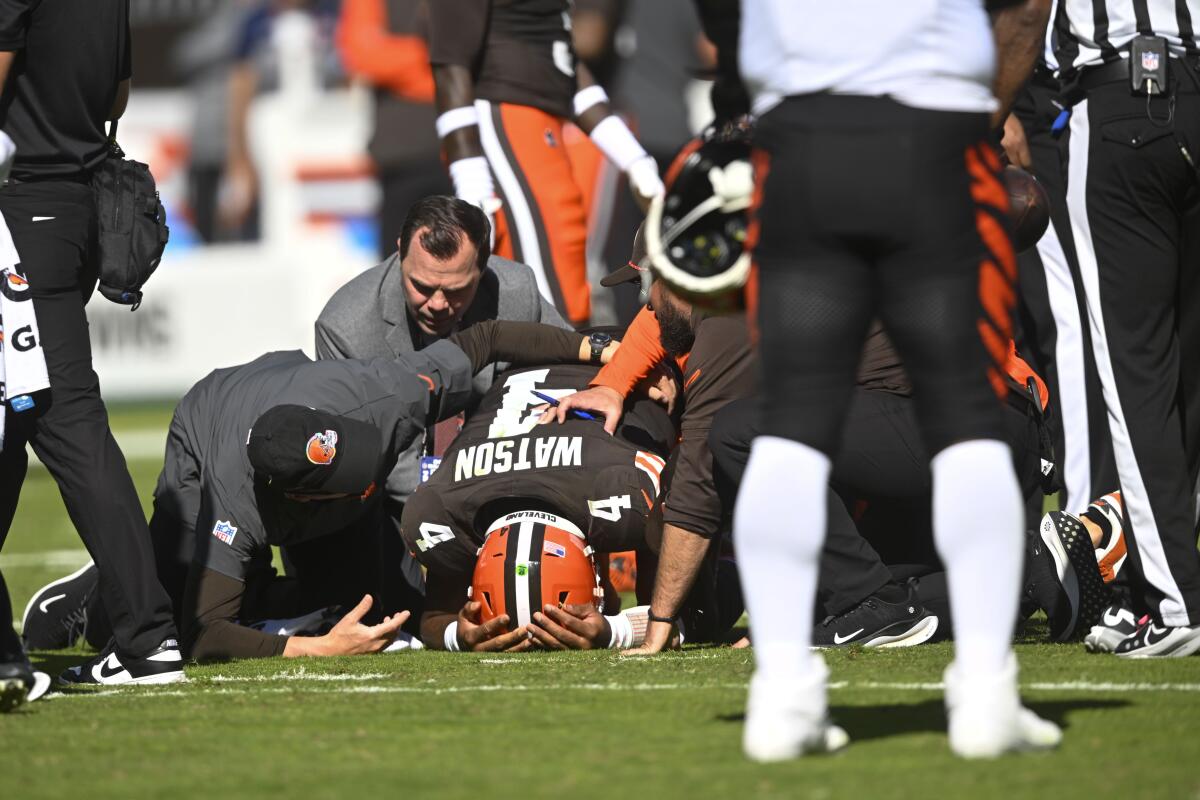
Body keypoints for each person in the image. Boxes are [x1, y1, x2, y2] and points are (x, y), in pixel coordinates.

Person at [711, 0, 1059, 761]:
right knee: (966, 419)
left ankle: (781, 698)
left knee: (790, 423)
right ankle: (986, 695)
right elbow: (1027, 10)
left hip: (801, 141)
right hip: (934, 135)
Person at [26, 320, 610, 662]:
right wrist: (320, 650)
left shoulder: (385, 395)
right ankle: (110, 582)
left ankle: (281, 598)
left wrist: (596, 350)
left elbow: (487, 338)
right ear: (299, 501)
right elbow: (208, 633)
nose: (365, 492)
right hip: (205, 424)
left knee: (374, 610)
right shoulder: (234, 500)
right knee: (169, 620)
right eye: (350, 489)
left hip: (287, 391)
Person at [0, 0, 185, 686]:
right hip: (75, 208)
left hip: (21, 209)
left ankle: (147, 637)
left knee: (65, 419)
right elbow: (117, 92)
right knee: (15, 423)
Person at [1055, 0, 1200, 658]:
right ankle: (1154, 590)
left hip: (1119, 107)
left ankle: (1176, 602)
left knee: (1134, 372)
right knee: (1187, 376)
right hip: (1194, 92)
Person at [400, 358, 678, 652]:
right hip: (526, 369)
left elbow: (684, 613)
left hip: (627, 358)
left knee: (704, 595)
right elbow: (432, 619)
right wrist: (464, 633)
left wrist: (614, 630)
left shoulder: (634, 490)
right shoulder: (445, 506)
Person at [426, 0, 664, 325]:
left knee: (568, 265)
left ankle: (562, 363)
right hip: (504, 120)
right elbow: (450, 63)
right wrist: (471, 177)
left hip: (545, 126)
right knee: (541, 295)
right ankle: (548, 370)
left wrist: (633, 157)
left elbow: (563, 65)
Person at [335, 0, 452, 259]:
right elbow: (361, 53)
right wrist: (434, 63)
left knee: (466, 269)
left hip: (463, 153)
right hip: (403, 158)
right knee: (398, 271)